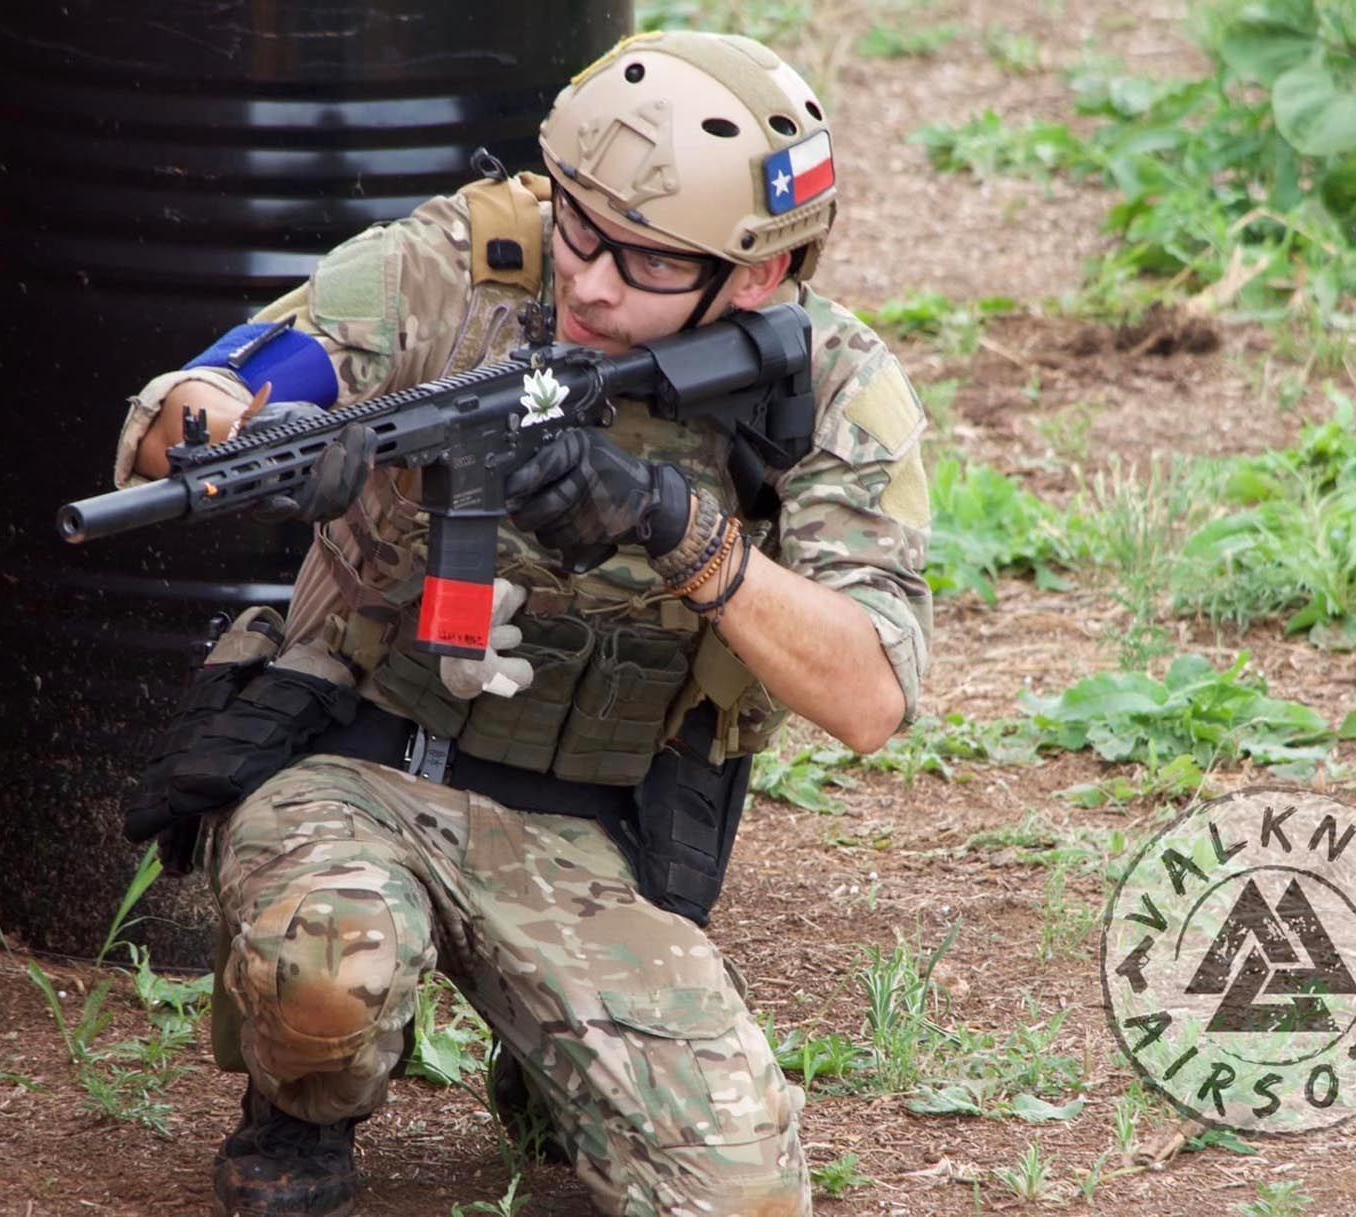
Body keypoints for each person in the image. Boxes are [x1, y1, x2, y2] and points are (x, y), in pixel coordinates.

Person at [111, 29, 933, 1217]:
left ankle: (546, 1065)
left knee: (737, 1195)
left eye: (648, 261)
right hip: (356, 756)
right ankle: (301, 1101)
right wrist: (247, 431)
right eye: (583, 226)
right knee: (324, 964)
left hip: (586, 832)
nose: (591, 281)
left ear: (758, 276)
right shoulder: (464, 261)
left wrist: (679, 529)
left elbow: (870, 694)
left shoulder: (836, 389)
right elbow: (209, 394)